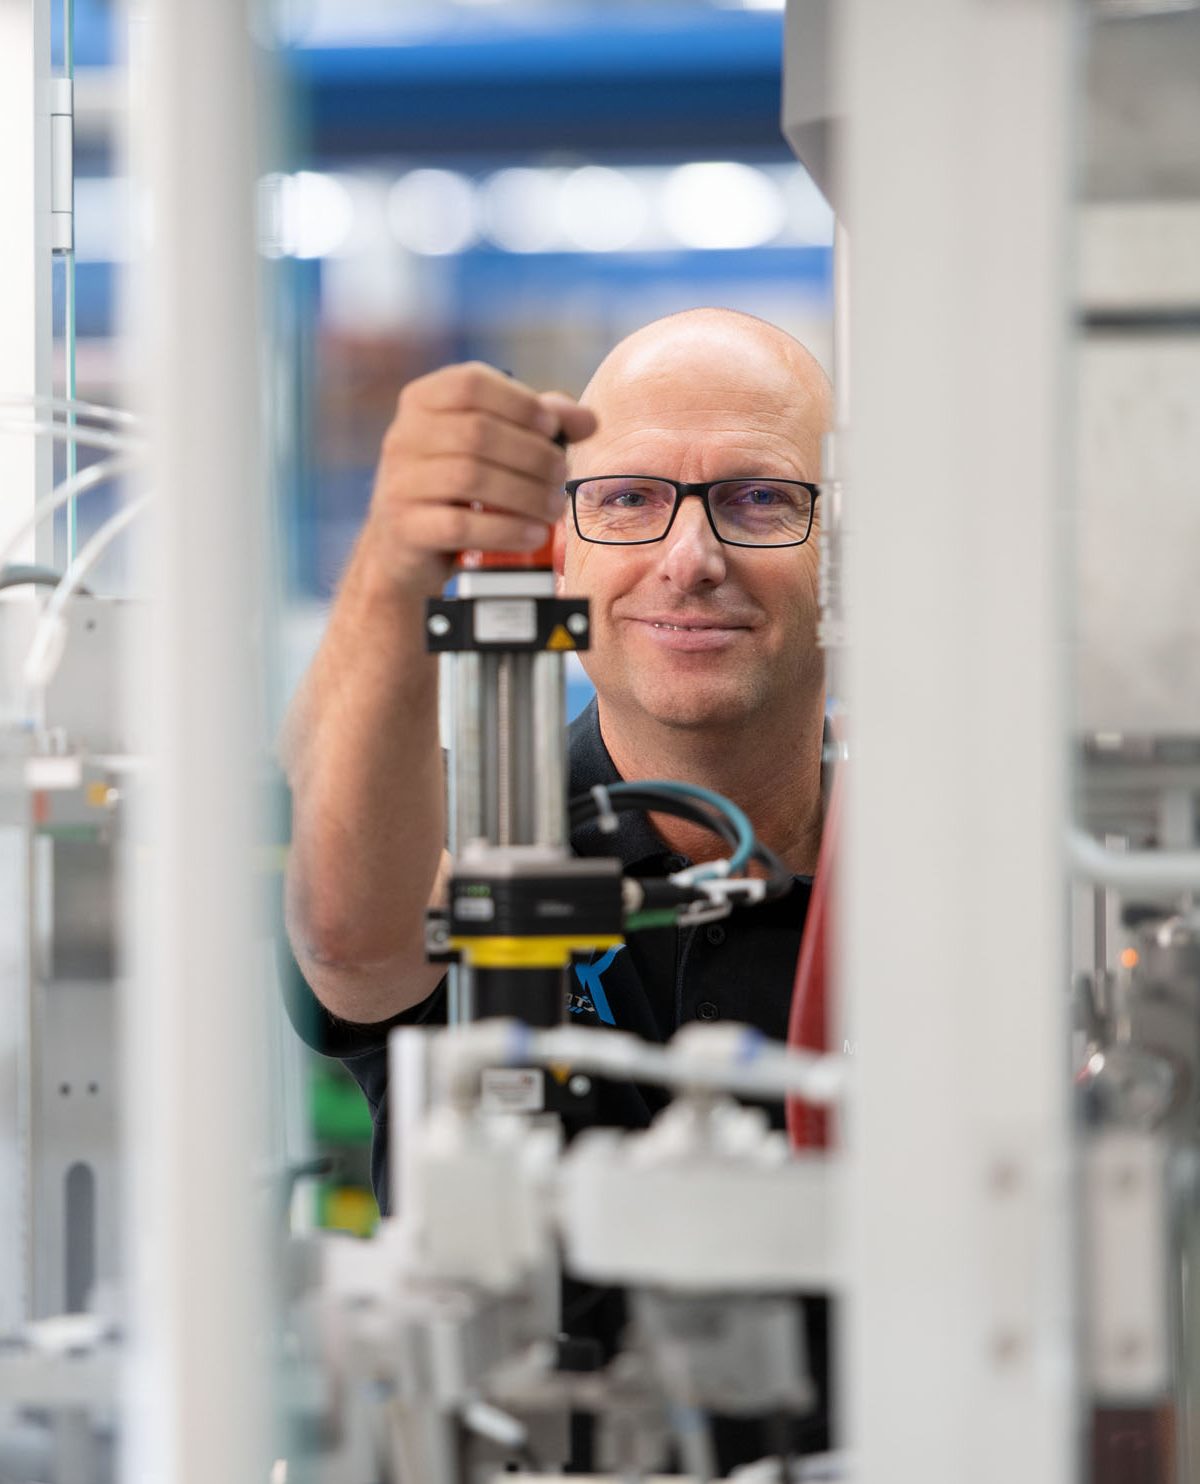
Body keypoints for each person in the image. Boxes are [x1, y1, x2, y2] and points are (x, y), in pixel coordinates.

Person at [282, 306, 834, 1465]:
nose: (691, 558)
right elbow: (350, 935)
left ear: (845, 556)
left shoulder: (938, 872)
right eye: (628, 498)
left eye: (759, 499)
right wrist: (394, 556)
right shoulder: (470, 835)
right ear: (560, 548)